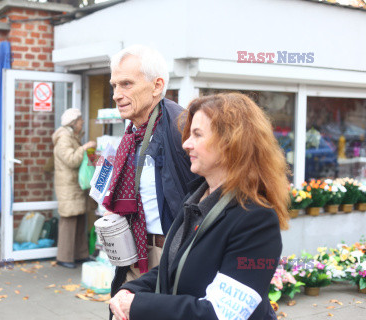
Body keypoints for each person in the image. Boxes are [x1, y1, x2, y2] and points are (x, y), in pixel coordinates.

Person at [109, 93, 290, 320]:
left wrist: (139, 306)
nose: (186, 144)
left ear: (231, 143)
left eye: (197, 134)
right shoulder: (196, 199)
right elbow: (171, 268)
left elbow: (220, 314)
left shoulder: (255, 220)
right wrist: (130, 290)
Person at [104, 45, 197, 297]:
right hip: (134, 251)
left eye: (126, 84)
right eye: (114, 85)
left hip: (169, 252)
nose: (116, 94)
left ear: (157, 86)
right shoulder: (132, 133)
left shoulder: (182, 126)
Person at [52, 108, 96, 269]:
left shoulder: (70, 136)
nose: (82, 122)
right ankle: (64, 257)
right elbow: (71, 160)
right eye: (80, 120)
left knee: (78, 219)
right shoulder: (64, 138)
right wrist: (84, 148)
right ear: (73, 123)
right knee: (69, 221)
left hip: (73, 186)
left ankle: (80, 255)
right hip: (68, 186)